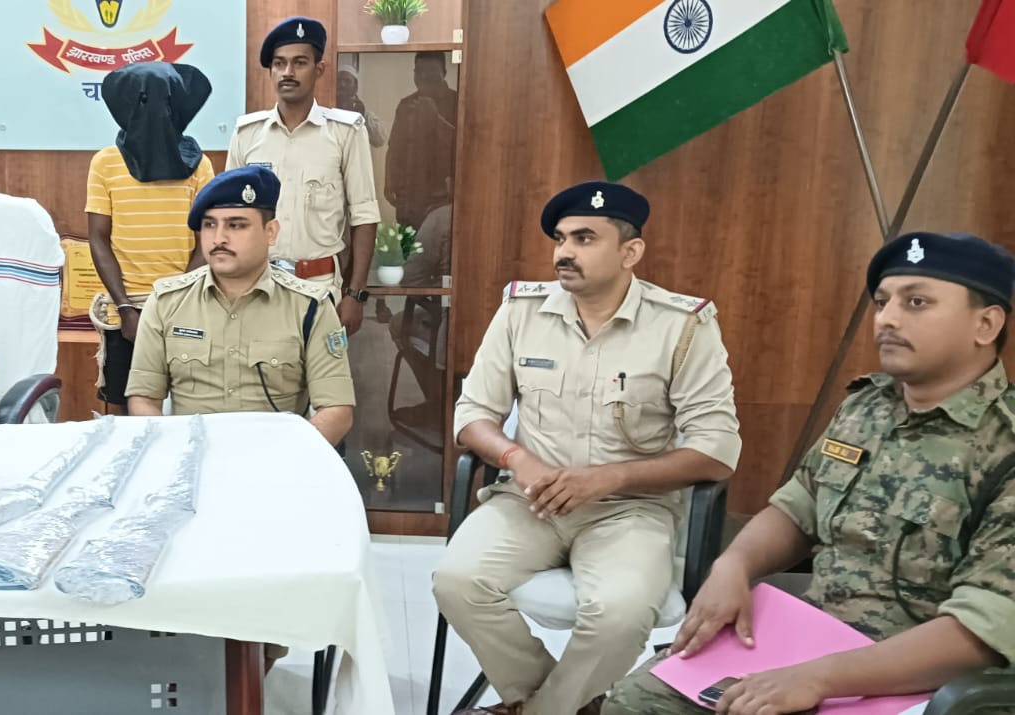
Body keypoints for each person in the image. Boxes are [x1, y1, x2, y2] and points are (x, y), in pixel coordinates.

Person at [605, 231, 1015, 715]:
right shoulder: (866, 408)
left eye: (916, 302)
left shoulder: (1004, 446)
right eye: (882, 302)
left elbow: (980, 631)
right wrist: (733, 566)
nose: (887, 318)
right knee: (637, 702)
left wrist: (819, 678)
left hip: (917, 677)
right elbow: (797, 507)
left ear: (985, 324)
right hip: (810, 637)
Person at [433, 181, 742, 715]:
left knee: (620, 612)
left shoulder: (681, 326)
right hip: (530, 499)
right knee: (456, 581)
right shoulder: (521, 311)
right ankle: (561, 702)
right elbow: (473, 415)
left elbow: (716, 451)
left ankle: (537, 709)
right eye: (560, 239)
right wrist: (518, 459)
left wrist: (608, 478)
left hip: (630, 509)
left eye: (584, 238)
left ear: (630, 251)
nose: (564, 252)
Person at [125, 164, 354, 447]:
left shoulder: (310, 307)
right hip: (190, 459)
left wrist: (285, 461)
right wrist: (175, 456)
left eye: (236, 225)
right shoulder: (166, 302)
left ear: (270, 232)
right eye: (210, 225)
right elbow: (143, 400)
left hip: (276, 459)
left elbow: (336, 411)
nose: (219, 238)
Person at [226, 16, 380, 335]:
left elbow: (364, 216)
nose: (288, 72)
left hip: (320, 290)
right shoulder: (247, 135)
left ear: (319, 69)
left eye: (299, 63)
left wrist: (355, 295)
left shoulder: (345, 133)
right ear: (271, 71)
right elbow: (230, 216)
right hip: (257, 290)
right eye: (279, 63)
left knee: (321, 371)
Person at [86, 61, 216, 413]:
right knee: (124, 413)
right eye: (144, 100)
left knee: (191, 410)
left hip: (186, 308)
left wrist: (175, 303)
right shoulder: (105, 163)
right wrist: (126, 308)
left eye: (165, 100)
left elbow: (207, 239)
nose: (155, 110)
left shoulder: (200, 165)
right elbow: (98, 238)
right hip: (125, 310)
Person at [386, 51, 458, 230]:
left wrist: (436, 118)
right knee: (408, 245)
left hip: (442, 198)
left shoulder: (457, 101)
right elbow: (394, 147)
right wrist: (389, 182)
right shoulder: (406, 104)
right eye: (419, 71)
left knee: (437, 244)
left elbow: (463, 145)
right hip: (408, 196)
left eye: (431, 71)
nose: (424, 76)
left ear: (444, 72)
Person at [336, 64, 386, 148]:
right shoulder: (328, 111)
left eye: (347, 81)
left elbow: (379, 141)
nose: (342, 84)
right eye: (339, 80)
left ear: (356, 86)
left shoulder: (366, 115)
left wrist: (361, 117)